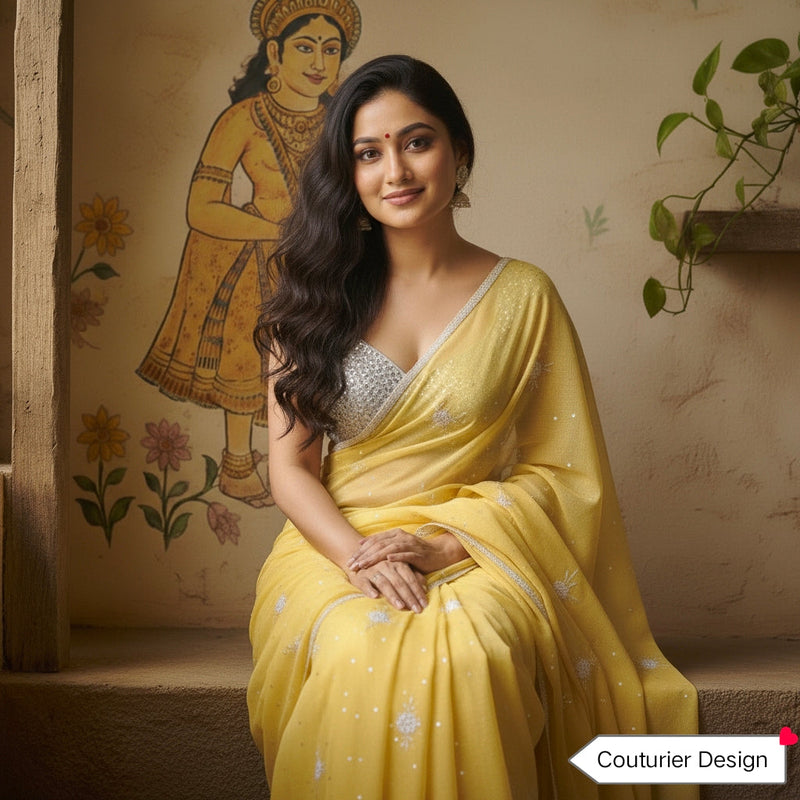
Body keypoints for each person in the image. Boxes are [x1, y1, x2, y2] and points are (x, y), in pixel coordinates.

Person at [248, 54, 698, 799]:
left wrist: (442, 543)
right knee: (356, 643)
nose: (395, 169)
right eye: (368, 152)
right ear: (348, 173)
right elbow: (291, 470)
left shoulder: (524, 297)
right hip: (337, 545)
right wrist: (362, 556)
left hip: (476, 545)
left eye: (416, 142)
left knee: (473, 650)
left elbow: (565, 475)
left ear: (459, 152)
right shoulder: (311, 301)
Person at [137, 0, 361, 508]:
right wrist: (277, 231)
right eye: (305, 47)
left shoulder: (344, 124)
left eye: (331, 50)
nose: (318, 61)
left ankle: (337, 470)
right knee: (251, 347)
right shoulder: (244, 118)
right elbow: (201, 207)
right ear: (275, 55)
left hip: (329, 260)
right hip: (259, 257)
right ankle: (239, 461)